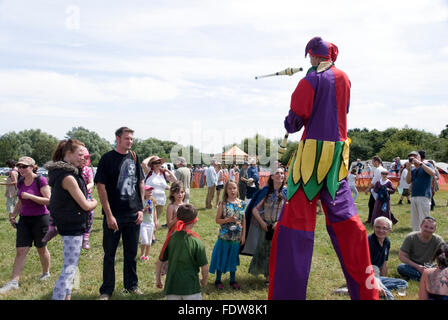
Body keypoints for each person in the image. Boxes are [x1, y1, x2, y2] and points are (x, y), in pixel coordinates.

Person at [269, 36, 379, 300]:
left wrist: (289, 120)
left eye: (309, 56)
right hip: (337, 161)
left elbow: (295, 121)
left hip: (309, 164)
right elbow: (343, 110)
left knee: (294, 230)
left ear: (313, 55)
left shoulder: (310, 79)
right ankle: (367, 295)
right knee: (351, 226)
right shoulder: (344, 78)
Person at [94, 127, 145, 300]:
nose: (130, 142)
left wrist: (141, 208)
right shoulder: (106, 159)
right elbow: (100, 187)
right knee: (110, 254)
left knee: (131, 254)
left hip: (133, 214)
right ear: (117, 139)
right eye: (126, 139)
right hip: (114, 215)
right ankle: (106, 290)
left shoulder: (134, 157)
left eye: (131, 139)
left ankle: (132, 286)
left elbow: (140, 183)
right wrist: (108, 214)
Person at [45, 139, 98, 300]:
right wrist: (94, 202)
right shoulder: (68, 177)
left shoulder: (71, 172)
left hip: (71, 225)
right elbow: (85, 205)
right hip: (72, 227)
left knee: (71, 267)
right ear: (68, 154)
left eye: (85, 154)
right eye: (80, 154)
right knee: (69, 270)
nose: (84, 157)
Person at [0, 156, 51, 294]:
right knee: (21, 250)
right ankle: (14, 282)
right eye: (19, 166)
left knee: (41, 248)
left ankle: (46, 273)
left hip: (40, 219)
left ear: (32, 167)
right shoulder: (21, 181)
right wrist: (13, 214)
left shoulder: (40, 180)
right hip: (24, 220)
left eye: (24, 167)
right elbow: (20, 201)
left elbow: (48, 200)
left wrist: (32, 197)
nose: (21, 169)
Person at [156, 203, 208, 300]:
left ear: (177, 218)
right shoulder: (197, 241)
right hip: (191, 289)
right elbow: (204, 267)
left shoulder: (170, 238)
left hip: (172, 288)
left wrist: (158, 280)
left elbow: (160, 262)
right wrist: (204, 281)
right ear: (195, 220)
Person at [247, 167, 286, 285]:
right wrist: (262, 223)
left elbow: (290, 211)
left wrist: (279, 222)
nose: (280, 175)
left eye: (282, 173)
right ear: (272, 177)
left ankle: (278, 275)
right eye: (277, 173)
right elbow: (254, 209)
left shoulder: (287, 192)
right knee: (266, 252)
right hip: (267, 227)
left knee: (280, 252)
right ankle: (268, 277)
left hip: (280, 226)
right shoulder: (266, 191)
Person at [209, 180, 246, 290]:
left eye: (234, 188)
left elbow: (244, 221)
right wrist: (228, 220)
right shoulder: (223, 204)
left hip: (236, 237)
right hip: (224, 237)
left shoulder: (242, 204)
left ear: (237, 189)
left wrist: (243, 236)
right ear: (226, 191)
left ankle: (232, 280)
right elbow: (217, 220)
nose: (232, 190)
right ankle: (218, 280)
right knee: (222, 257)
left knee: (233, 258)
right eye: (229, 188)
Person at [369, 217, 408, 300]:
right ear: (373, 227)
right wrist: (376, 282)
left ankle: (371, 289)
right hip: (368, 275)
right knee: (389, 296)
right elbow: (364, 266)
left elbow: (384, 263)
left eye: (384, 228)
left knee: (403, 284)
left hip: (377, 277)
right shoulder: (368, 242)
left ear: (389, 230)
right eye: (378, 227)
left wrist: (383, 279)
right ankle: (372, 288)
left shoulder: (387, 242)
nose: (381, 230)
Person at [397, 216, 444, 281]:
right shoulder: (411, 237)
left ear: (434, 229)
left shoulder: (438, 240)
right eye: (426, 226)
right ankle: (427, 278)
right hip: (413, 266)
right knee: (401, 267)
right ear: (421, 226)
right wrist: (418, 267)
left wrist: (436, 268)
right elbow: (401, 256)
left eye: (431, 228)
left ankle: (422, 277)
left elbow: (444, 257)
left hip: (430, 267)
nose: (428, 229)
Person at [405, 150, 436, 231]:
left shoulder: (427, 165)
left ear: (420, 157)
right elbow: (408, 181)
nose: (413, 159)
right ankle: (416, 236)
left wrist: (421, 164)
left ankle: (426, 236)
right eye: (411, 157)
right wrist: (408, 170)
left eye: (415, 156)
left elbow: (433, 173)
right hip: (414, 196)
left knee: (424, 219)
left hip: (424, 196)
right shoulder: (412, 169)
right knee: (414, 220)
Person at [143, 155, 177, 227]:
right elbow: (143, 163)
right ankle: (150, 237)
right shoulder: (149, 172)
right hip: (150, 199)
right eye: (155, 163)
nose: (158, 164)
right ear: (152, 164)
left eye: (159, 162)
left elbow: (174, 180)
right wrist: (152, 157)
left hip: (161, 200)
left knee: (156, 220)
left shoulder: (163, 174)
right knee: (150, 219)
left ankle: (153, 237)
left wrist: (167, 171)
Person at [79, 146, 95, 250]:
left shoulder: (88, 170)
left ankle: (86, 238)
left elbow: (91, 182)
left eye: (87, 158)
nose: (85, 160)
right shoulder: (73, 169)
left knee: (90, 214)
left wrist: (84, 188)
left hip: (86, 195)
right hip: (73, 196)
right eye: (83, 157)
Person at [139, 185, 158, 261]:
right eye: (148, 190)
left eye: (151, 190)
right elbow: (140, 212)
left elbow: (154, 212)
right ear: (144, 192)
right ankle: (142, 254)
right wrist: (144, 209)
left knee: (149, 241)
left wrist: (155, 221)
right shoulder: (142, 201)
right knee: (144, 240)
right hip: (143, 223)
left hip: (151, 223)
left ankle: (146, 255)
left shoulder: (153, 201)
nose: (150, 192)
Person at [365, 156, 385, 224]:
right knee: (375, 204)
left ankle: (370, 219)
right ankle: (370, 219)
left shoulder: (378, 170)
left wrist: (368, 189)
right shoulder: (382, 169)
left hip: (377, 190)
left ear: (376, 162)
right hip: (380, 190)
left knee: (373, 204)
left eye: (373, 161)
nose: (372, 163)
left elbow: (374, 181)